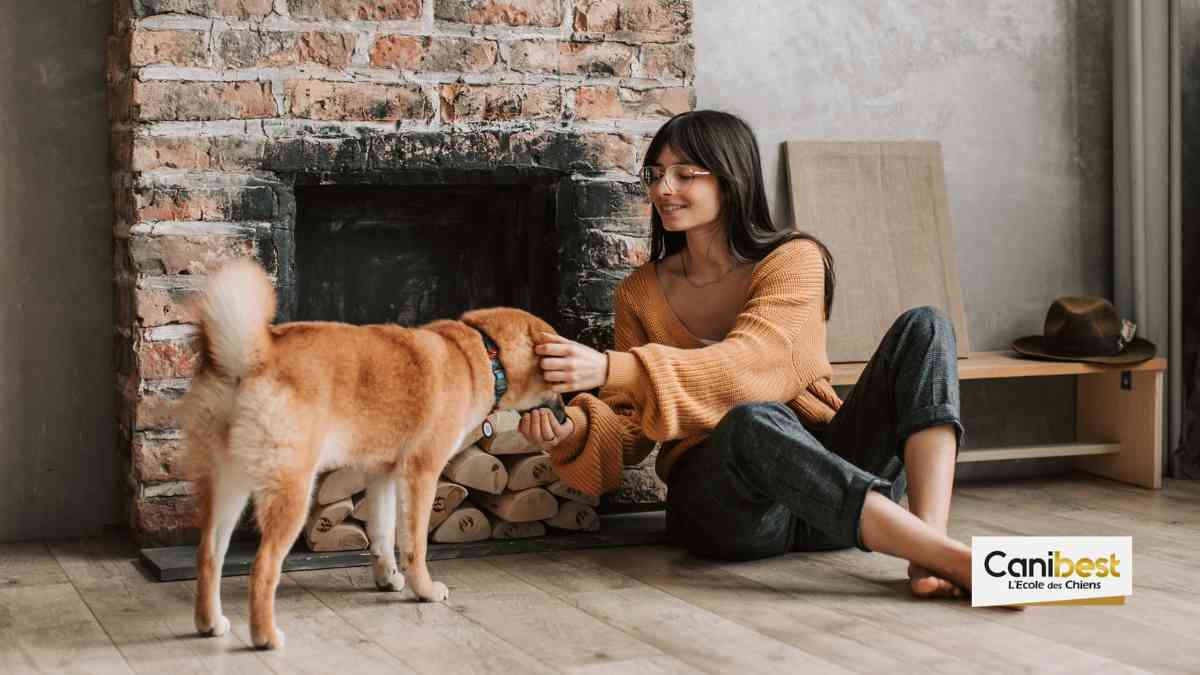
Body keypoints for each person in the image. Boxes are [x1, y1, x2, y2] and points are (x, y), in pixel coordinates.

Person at [518, 110, 971, 597]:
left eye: (684, 174)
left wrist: (613, 368)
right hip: (730, 510)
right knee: (751, 421)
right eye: (655, 175)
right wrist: (574, 430)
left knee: (927, 326)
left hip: (827, 482)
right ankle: (946, 557)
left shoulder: (794, 259)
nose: (663, 189)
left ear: (731, 178)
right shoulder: (640, 292)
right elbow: (631, 426)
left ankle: (931, 552)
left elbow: (756, 365)